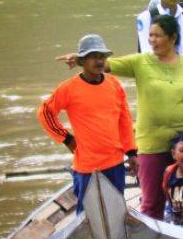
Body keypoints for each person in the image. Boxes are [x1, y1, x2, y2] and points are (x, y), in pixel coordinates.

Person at [61, 15, 183, 220]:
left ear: (172, 37)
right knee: (152, 203)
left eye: (157, 36)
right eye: (150, 35)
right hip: (151, 144)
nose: (151, 40)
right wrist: (80, 58)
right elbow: (105, 64)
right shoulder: (140, 62)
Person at [38, 34, 137, 214]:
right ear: (82, 61)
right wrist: (67, 139)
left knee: (117, 214)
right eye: (93, 56)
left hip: (115, 163)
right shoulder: (68, 89)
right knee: (87, 218)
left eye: (102, 56)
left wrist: (131, 152)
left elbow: (124, 119)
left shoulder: (114, 84)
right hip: (87, 167)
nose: (99, 61)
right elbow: (45, 113)